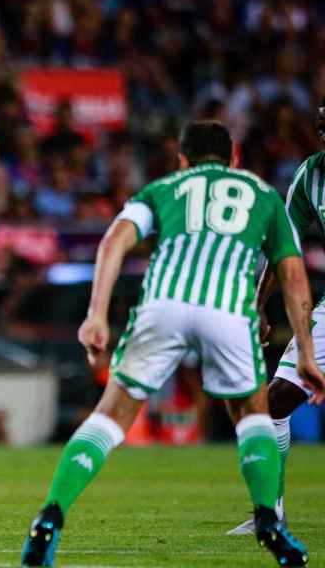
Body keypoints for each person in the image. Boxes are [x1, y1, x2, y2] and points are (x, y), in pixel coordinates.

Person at [20, 120, 325, 567]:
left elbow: (113, 243)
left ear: (182, 159)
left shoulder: (165, 188)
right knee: (254, 415)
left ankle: (50, 515)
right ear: (234, 158)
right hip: (228, 308)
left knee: (111, 415)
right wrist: (304, 345)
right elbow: (293, 273)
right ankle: (269, 521)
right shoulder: (261, 195)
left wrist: (96, 315)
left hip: (162, 303)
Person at [230, 97, 325, 536]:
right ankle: (272, 513)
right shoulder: (311, 176)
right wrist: (258, 301)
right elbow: (283, 244)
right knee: (273, 403)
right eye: (322, 128)